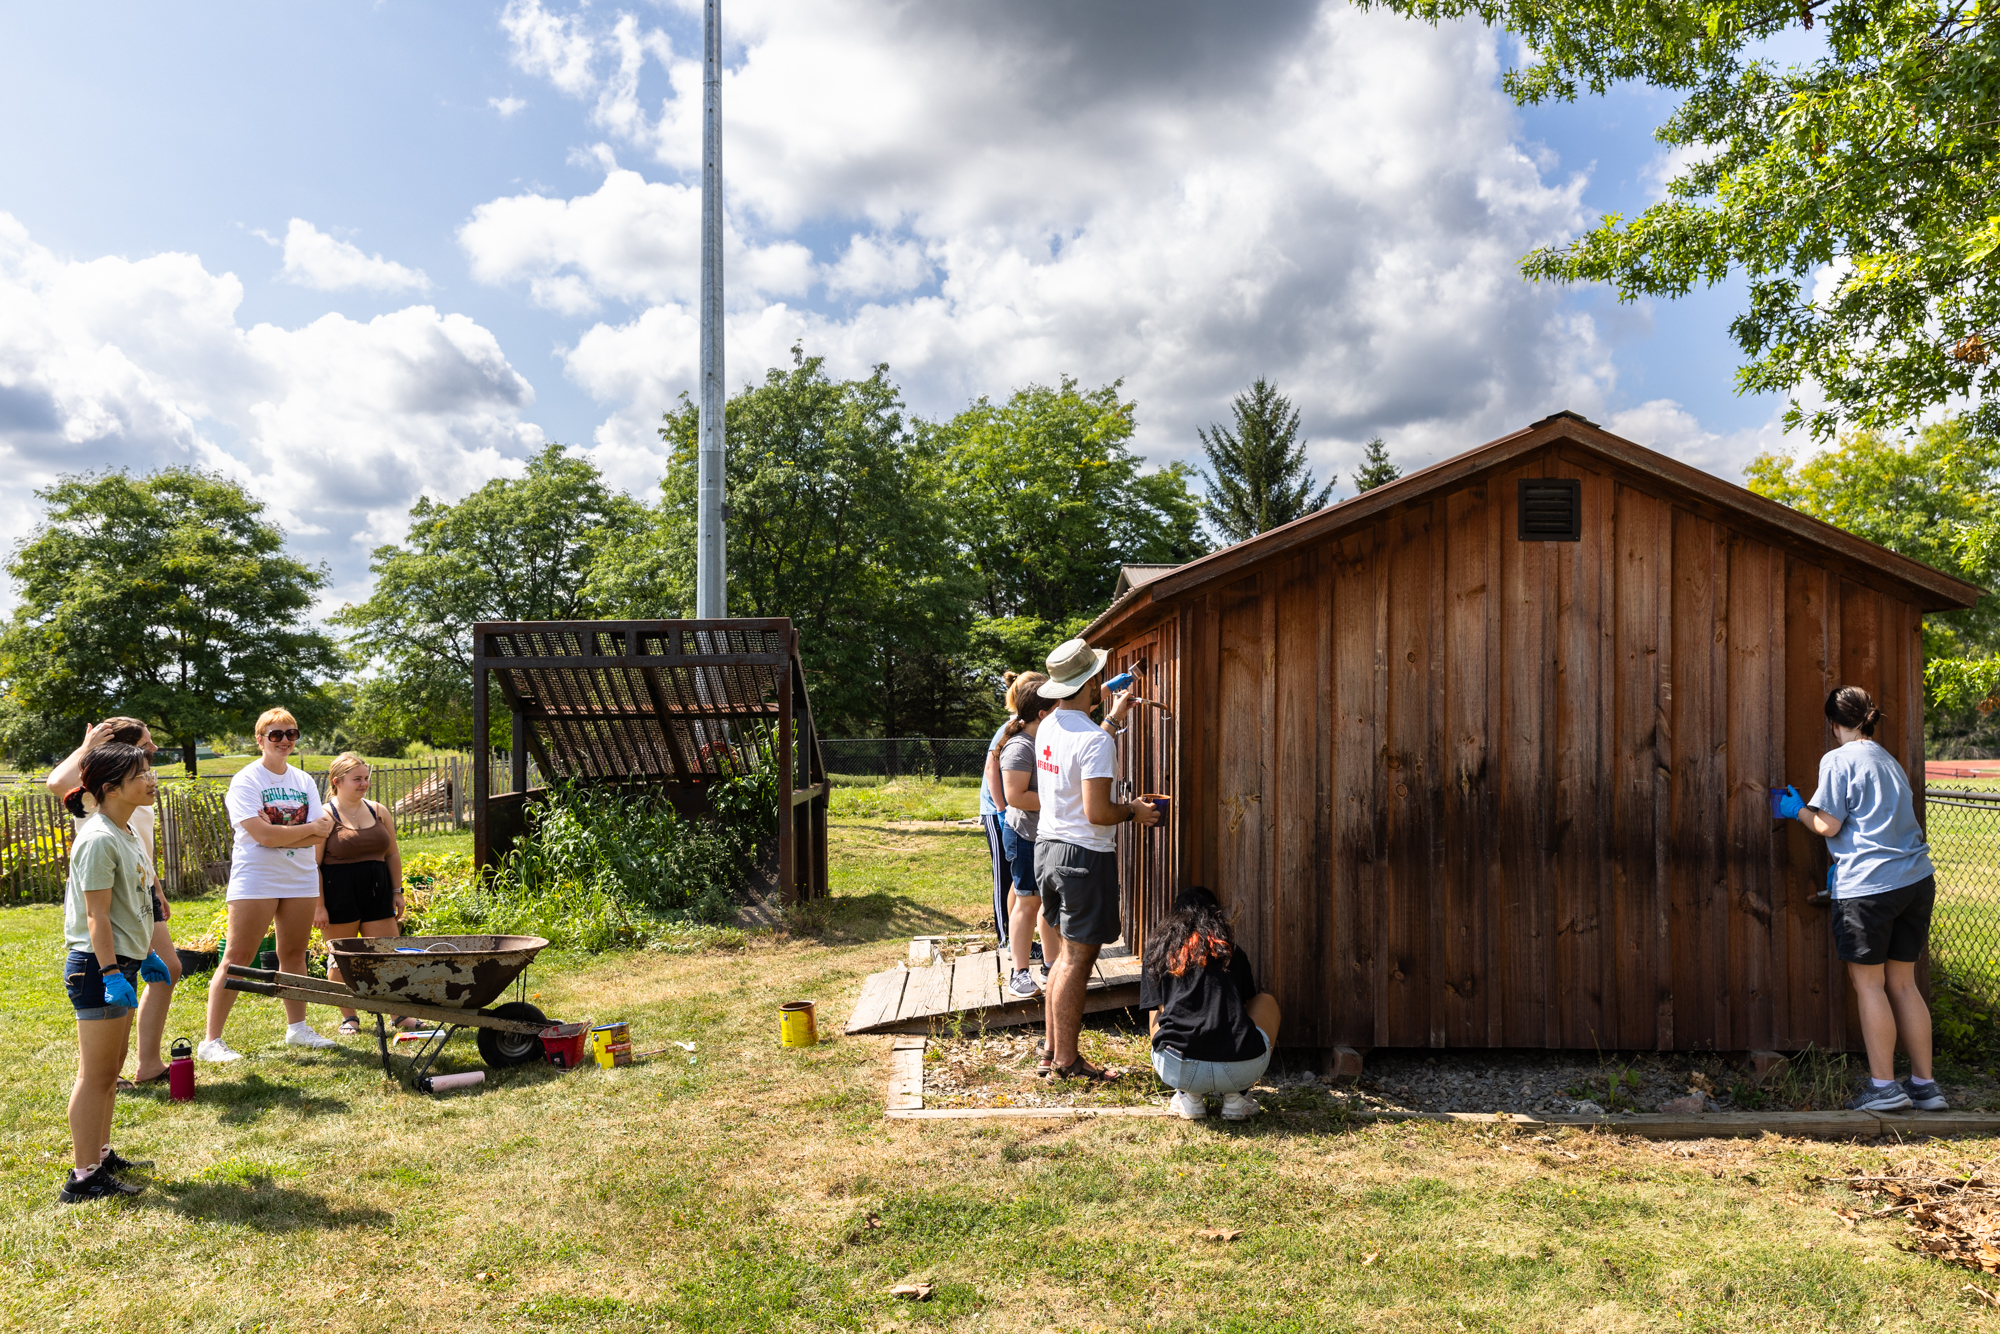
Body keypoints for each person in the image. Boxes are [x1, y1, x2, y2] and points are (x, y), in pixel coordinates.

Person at [1775, 685, 1944, 1112]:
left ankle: (1884, 1088)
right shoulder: (1888, 760)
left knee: (1869, 985)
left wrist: (1797, 810)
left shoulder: (1838, 759)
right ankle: (1925, 1086)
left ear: (1835, 723)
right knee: (1903, 983)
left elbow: (1828, 825)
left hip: (1870, 888)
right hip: (1916, 880)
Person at [1033, 637, 1156, 1081]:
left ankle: (1051, 1051)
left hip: (1047, 851)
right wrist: (1136, 811)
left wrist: (1113, 717)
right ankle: (1066, 1061)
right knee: (1076, 961)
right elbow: (1098, 812)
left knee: (1063, 956)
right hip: (1082, 857)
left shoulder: (1049, 724)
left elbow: (1082, 752)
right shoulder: (1093, 741)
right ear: (1092, 681)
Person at [57, 742, 167, 1202]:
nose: (152, 779)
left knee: (111, 1069)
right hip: (98, 967)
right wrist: (110, 972)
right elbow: (96, 917)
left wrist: (145, 955)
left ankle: (100, 1155)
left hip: (122, 961)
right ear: (111, 787)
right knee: (95, 1075)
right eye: (141, 773)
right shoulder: (100, 837)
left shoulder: (124, 832)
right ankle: (84, 1179)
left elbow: (131, 907)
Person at [46, 717, 181, 1086]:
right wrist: (87, 746)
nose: (152, 749)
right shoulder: (104, 802)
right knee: (101, 1048)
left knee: (161, 967)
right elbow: (56, 783)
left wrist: (156, 890)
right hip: (110, 902)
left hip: (139, 892)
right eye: (145, 743)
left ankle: (135, 1064)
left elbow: (139, 851)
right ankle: (108, 1071)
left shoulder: (137, 790)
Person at [200, 708, 337, 1061]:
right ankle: (211, 1041)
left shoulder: (303, 780)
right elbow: (262, 835)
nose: (285, 741)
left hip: (300, 877)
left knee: (292, 954)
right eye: (275, 735)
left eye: (292, 734)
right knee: (237, 956)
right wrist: (293, 833)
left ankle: (298, 1029)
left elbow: (320, 831)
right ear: (260, 740)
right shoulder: (247, 780)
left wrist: (282, 834)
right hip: (256, 877)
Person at [1140, 885, 1281, 1121]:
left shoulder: (1159, 952)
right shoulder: (1231, 951)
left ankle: (1188, 1095)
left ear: (1174, 918)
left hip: (1179, 1067)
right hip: (1240, 1068)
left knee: (1156, 1009)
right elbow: (1243, 1006)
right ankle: (1237, 1096)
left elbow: (1161, 1011)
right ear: (1215, 917)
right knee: (1265, 1001)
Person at [315, 753, 407, 1034]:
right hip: (338, 894)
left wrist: (397, 891)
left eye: (366, 778)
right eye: (357, 779)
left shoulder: (378, 811)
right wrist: (319, 907)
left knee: (389, 954)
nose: (364, 783)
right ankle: (349, 1018)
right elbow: (313, 866)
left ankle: (399, 1016)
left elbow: (392, 854)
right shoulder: (324, 815)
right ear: (337, 781)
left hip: (377, 892)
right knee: (342, 957)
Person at [997, 671, 1061, 999]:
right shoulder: (1020, 747)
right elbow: (1016, 797)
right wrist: (1062, 797)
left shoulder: (1044, 741)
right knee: (1027, 902)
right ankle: (1019, 973)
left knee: (1047, 902)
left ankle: (1051, 965)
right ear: (1042, 713)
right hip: (1024, 836)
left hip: (1044, 834)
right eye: (1056, 707)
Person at [979, 679, 1023, 950]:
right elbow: (990, 769)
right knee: (1003, 875)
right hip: (996, 811)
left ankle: (1019, 939)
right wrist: (1001, 809)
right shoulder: (1009, 727)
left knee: (1017, 877)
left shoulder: (1034, 721)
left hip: (1014, 810)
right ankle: (1005, 939)